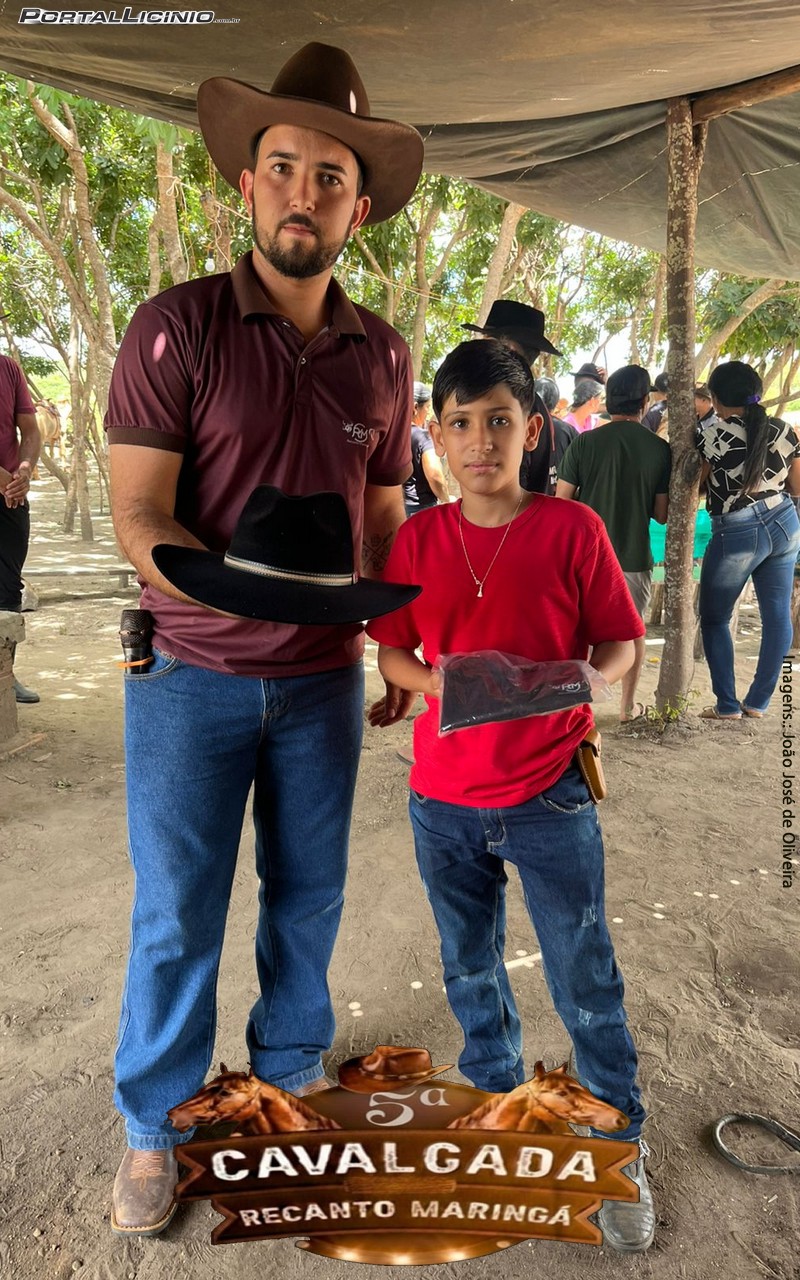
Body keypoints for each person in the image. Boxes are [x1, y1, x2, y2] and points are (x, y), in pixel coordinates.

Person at [104, 41, 424, 1237]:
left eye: (330, 176)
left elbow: (381, 519)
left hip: (322, 683)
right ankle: (156, 1121)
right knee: (178, 908)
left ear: (357, 207)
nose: (304, 192)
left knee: (309, 892)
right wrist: (226, 590)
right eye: (282, 167)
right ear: (246, 184)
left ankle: (285, 1078)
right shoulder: (174, 328)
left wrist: (392, 639)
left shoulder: (381, 353)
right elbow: (141, 512)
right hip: (189, 673)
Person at [367, 340, 655, 1253]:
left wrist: (587, 680)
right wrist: (440, 684)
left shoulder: (572, 530)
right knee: (468, 963)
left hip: (550, 793)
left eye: (499, 420)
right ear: (438, 438)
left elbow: (619, 642)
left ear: (534, 431)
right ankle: (496, 1104)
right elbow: (392, 652)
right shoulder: (418, 540)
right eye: (460, 423)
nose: (480, 441)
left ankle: (616, 1139)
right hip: (442, 800)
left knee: (584, 972)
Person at [556, 365, 671, 722]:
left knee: (581, 633)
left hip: (585, 560)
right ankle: (627, 706)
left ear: (609, 399)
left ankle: (578, 706)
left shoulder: (585, 442)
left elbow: (562, 503)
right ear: (645, 400)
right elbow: (662, 514)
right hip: (633, 557)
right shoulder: (659, 449)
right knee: (632, 634)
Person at [697, 360, 800, 719]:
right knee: (777, 615)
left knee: (714, 618)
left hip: (738, 531)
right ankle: (757, 703)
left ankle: (727, 705)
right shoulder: (784, 430)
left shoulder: (712, 435)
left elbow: (695, 486)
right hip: (785, 522)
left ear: (716, 399)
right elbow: (797, 487)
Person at [462, 299, 564, 495]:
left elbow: (511, 488)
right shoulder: (532, 401)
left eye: (488, 343)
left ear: (510, 352)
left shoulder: (518, 405)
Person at [0, 351, 41, 703]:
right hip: (6, 488)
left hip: (10, 497)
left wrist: (24, 470)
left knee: (8, 589)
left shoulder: (8, 368)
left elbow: (30, 430)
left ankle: (4, 676)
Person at [403, 381, 449, 515]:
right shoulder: (423, 437)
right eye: (427, 407)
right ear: (415, 407)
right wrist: (447, 500)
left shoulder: (393, 435)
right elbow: (435, 475)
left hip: (398, 509)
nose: (428, 412)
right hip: (421, 510)